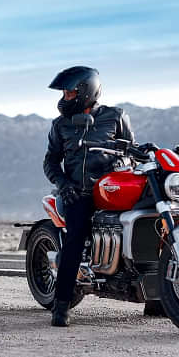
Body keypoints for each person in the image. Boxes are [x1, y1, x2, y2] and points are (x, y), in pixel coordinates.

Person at [43, 66, 134, 327]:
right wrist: (63, 184)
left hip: (112, 189)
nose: (64, 97)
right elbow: (50, 161)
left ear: (85, 92)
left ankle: (156, 298)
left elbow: (131, 150)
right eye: (64, 93)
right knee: (74, 241)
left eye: (69, 93)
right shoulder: (60, 125)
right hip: (79, 192)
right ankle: (61, 307)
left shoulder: (115, 116)